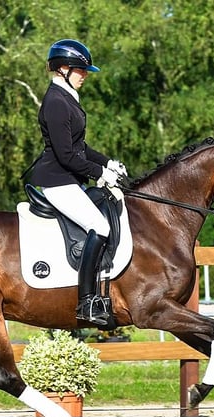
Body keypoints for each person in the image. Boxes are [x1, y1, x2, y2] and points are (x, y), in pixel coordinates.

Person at [30, 39, 126, 326]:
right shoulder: (56, 102)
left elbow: (80, 147)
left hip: (68, 178)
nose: (85, 76)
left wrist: (108, 162)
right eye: (80, 70)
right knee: (101, 226)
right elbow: (67, 155)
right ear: (62, 69)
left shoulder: (67, 98)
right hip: (57, 181)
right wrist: (100, 173)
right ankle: (87, 302)